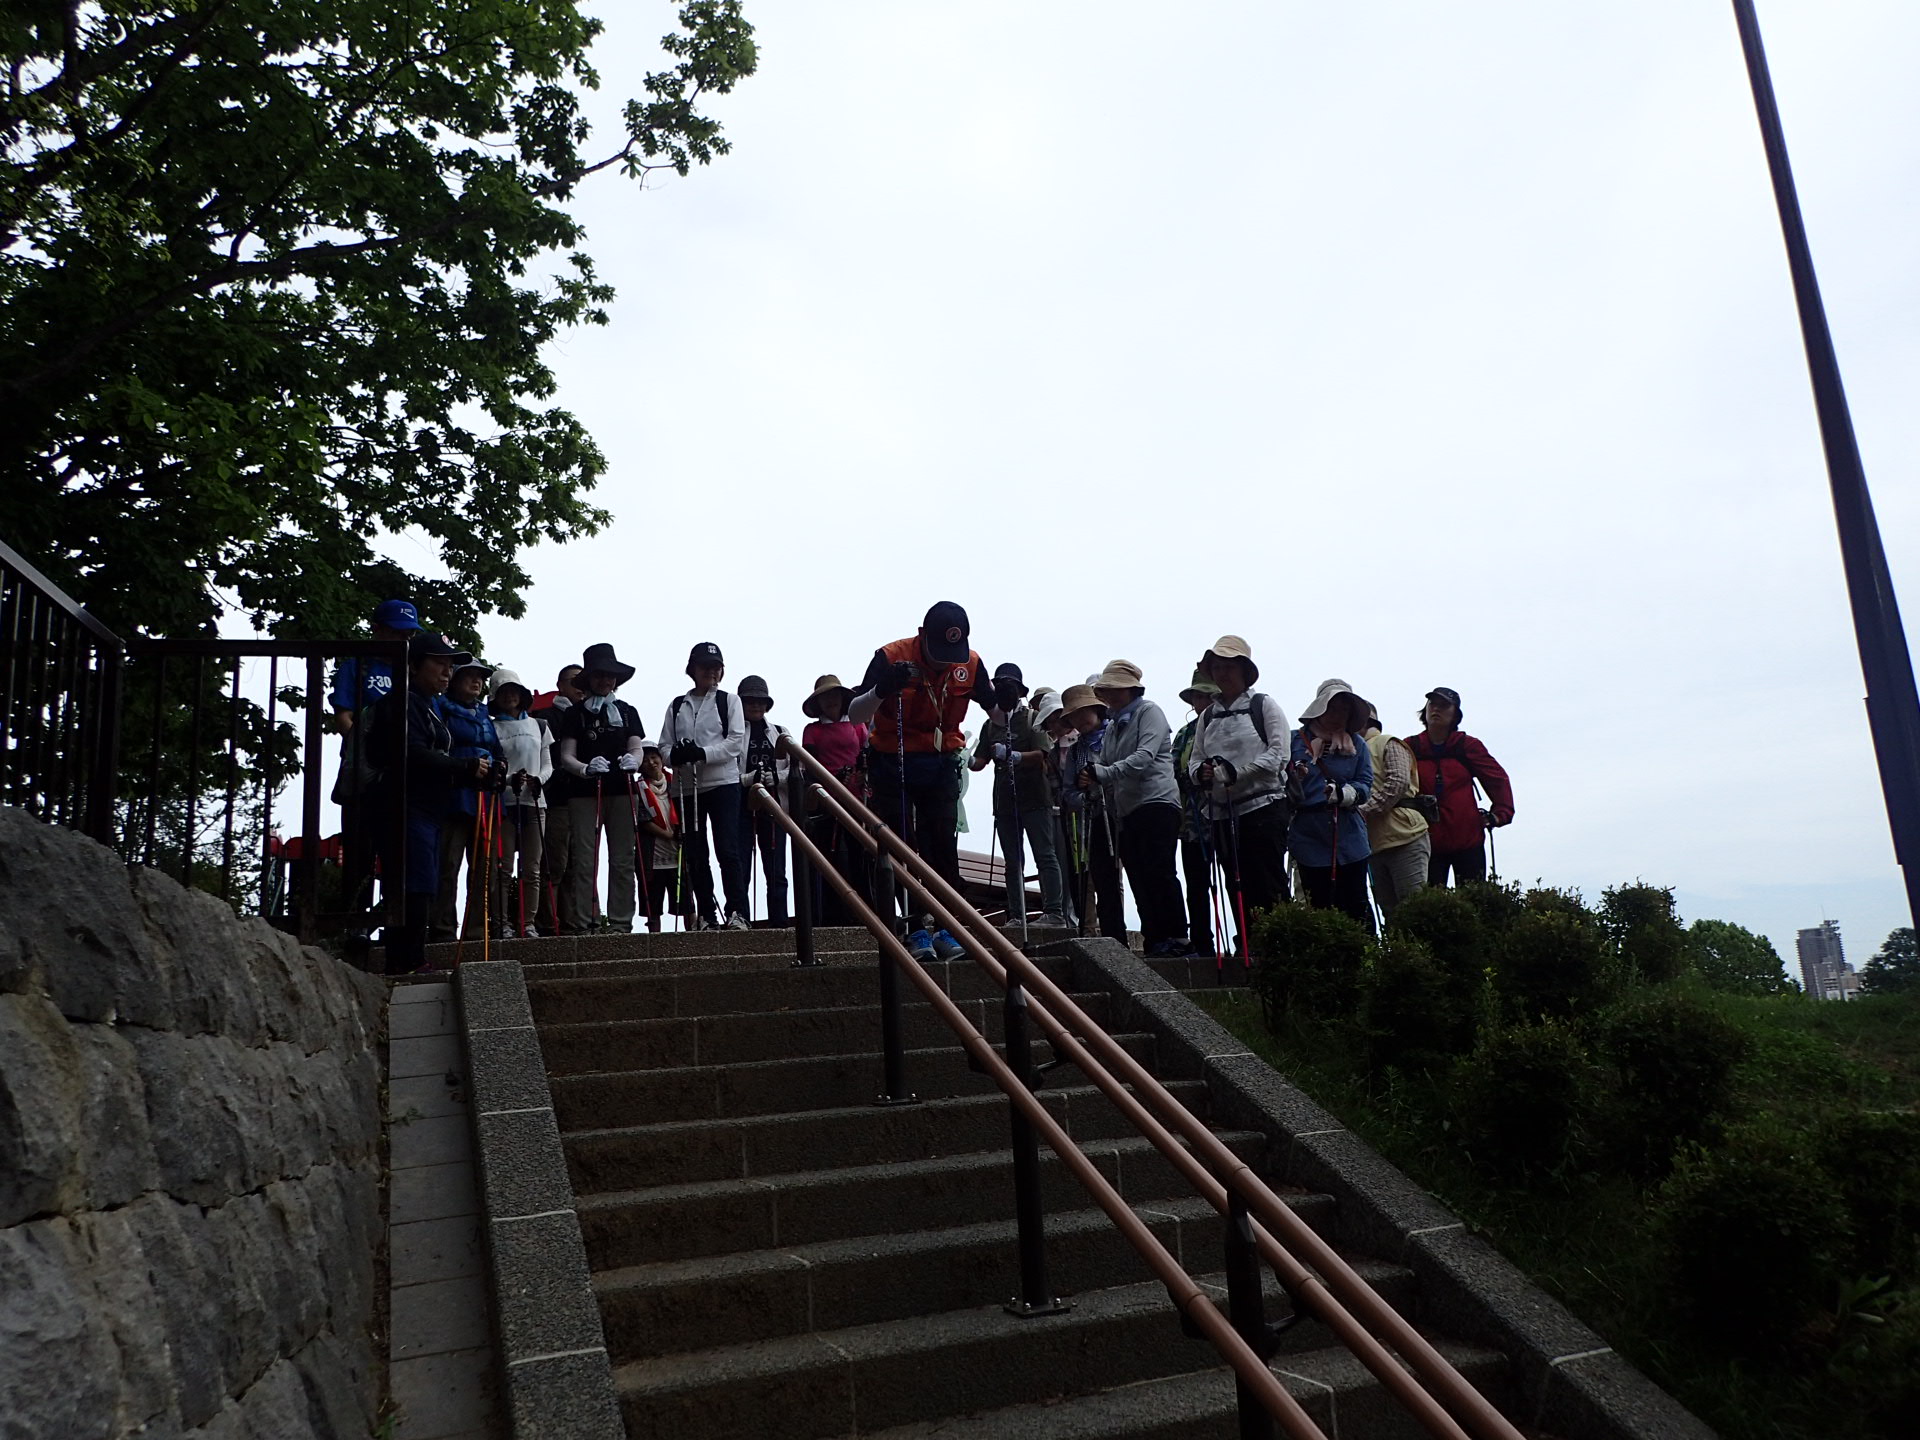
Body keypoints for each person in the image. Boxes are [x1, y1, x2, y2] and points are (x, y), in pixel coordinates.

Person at [848, 601, 1001, 961]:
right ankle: (915, 927)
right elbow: (854, 713)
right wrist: (882, 689)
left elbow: (999, 715)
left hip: (942, 761)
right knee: (903, 845)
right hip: (893, 760)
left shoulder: (971, 664)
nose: (945, 661)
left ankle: (949, 927)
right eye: (938, 652)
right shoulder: (891, 657)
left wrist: (1003, 704)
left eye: (953, 652)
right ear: (922, 636)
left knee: (943, 848)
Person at [367, 633, 490, 973]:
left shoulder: (426, 705)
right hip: (405, 805)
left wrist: (471, 774)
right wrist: (464, 766)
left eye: (450, 665)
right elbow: (412, 755)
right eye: (439, 662)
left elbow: (430, 759)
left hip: (429, 806)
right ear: (413, 665)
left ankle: (409, 958)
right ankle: (406, 961)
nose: (447, 671)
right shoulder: (402, 703)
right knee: (414, 881)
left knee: (424, 880)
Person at [1188, 636, 1293, 957]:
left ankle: (1278, 950)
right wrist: (1202, 773)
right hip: (1222, 814)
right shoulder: (1208, 717)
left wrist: (1237, 773)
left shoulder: (1263, 706)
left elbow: (1279, 755)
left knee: (1267, 882)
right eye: (1217, 667)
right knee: (1236, 885)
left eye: (1228, 666)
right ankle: (1247, 949)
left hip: (1264, 809)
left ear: (1244, 670)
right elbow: (1195, 759)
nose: (1222, 673)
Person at [1083, 661, 1188, 956]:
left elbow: (1144, 757)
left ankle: (1177, 935)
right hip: (1127, 811)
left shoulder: (1149, 712)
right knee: (1139, 876)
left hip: (1158, 802)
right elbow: (1104, 762)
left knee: (1160, 870)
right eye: (1107, 690)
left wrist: (1102, 774)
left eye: (1116, 689)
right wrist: (1094, 775)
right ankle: (1155, 937)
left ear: (1132, 689)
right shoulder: (1115, 725)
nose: (1111, 695)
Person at [330, 597, 420, 930]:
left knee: (401, 853)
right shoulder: (358, 666)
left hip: (404, 774)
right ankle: (353, 925)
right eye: (398, 632)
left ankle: (397, 928)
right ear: (378, 630)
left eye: (409, 634)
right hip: (365, 773)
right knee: (359, 852)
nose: (404, 640)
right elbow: (343, 715)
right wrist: (369, 747)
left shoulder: (413, 671)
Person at [553, 644, 647, 933]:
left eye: (609, 676)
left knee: (622, 858)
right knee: (584, 858)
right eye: (598, 676)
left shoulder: (627, 712)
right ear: (589, 679)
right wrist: (584, 768)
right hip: (584, 793)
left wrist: (635, 760)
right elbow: (566, 755)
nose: (604, 681)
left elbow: (636, 746)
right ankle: (586, 922)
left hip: (621, 790)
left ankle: (620, 922)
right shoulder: (575, 713)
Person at [969, 663, 1069, 931]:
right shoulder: (990, 724)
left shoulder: (1032, 719)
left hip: (1035, 798)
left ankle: (1054, 912)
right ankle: (1016, 914)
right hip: (1004, 802)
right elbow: (979, 761)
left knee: (1045, 855)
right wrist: (964, 758)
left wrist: (1014, 756)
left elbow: (1043, 756)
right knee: (1012, 862)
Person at [661, 642, 751, 930]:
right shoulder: (677, 705)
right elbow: (664, 744)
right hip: (687, 788)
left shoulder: (730, 701)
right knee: (696, 853)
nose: (711, 672)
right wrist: (676, 755)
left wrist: (703, 753)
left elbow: (735, 742)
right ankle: (707, 914)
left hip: (723, 783)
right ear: (693, 670)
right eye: (705, 666)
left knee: (728, 849)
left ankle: (737, 911)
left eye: (716, 666)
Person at [1289, 679, 1375, 930]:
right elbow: (1279, 781)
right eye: (1333, 707)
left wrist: (1344, 793)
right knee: (1319, 905)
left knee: (1357, 904)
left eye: (1345, 710)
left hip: (1349, 836)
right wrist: (1296, 779)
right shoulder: (1294, 742)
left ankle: (1367, 960)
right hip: (1308, 835)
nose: (1339, 715)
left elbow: (1365, 784)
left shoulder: (1357, 745)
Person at [1407, 686, 1514, 886]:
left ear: (1455, 714)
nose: (1436, 709)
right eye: (1432, 704)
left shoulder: (1467, 746)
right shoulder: (1410, 747)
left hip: (1467, 840)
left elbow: (1497, 779)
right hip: (1427, 842)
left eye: (1444, 705)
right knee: (1431, 906)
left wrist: (1500, 814)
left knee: (1473, 904)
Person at [432, 658, 506, 942]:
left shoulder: (485, 713)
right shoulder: (440, 708)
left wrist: (500, 766)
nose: (476, 681)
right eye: (469, 676)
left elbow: (497, 749)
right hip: (453, 793)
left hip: (486, 796)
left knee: (483, 867)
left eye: (480, 677)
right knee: (448, 864)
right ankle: (442, 928)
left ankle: (476, 929)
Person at [1055, 683, 1125, 942]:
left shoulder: (1116, 734)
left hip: (1123, 815)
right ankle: (1112, 937)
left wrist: (1100, 781)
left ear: (1097, 709)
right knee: (1103, 880)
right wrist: (1086, 795)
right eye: (1073, 715)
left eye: (1083, 712)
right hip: (1094, 820)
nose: (1080, 719)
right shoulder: (1076, 751)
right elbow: (1068, 791)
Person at [488, 668, 553, 938]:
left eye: (514, 691)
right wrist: (508, 779)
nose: (510, 696)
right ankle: (502, 923)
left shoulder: (539, 725)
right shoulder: (491, 728)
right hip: (504, 802)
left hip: (535, 802)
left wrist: (538, 779)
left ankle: (527, 923)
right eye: (504, 692)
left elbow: (548, 764)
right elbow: (491, 767)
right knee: (503, 868)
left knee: (532, 868)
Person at [801, 674, 866, 926]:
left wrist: (858, 777)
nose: (830, 701)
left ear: (842, 698)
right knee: (830, 857)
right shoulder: (813, 730)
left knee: (859, 856)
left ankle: (862, 913)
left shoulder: (858, 726)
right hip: (826, 801)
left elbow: (864, 758)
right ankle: (832, 915)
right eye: (824, 697)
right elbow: (810, 765)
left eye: (834, 695)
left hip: (857, 800)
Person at [1357, 701, 1429, 918]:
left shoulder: (1386, 742)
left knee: (1413, 908)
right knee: (1390, 912)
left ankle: (1419, 952)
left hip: (1405, 836)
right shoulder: (1352, 752)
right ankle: (1400, 952)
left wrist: (1363, 811)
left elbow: (1398, 783)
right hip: (1375, 844)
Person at [532, 663, 586, 935]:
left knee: (578, 864)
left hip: (584, 800)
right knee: (555, 862)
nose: (580, 685)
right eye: (574, 680)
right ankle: (547, 922)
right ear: (560, 685)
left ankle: (572, 922)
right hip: (557, 798)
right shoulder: (547, 717)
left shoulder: (590, 715)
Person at [737, 674, 793, 926]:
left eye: (760, 701)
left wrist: (775, 778)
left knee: (776, 870)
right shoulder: (733, 733)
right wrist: (748, 778)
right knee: (740, 867)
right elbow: (727, 770)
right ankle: (740, 918)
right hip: (741, 807)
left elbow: (795, 770)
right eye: (750, 701)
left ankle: (779, 923)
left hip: (774, 808)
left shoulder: (780, 732)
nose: (756, 705)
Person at [1173, 669, 1221, 960]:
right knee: (1196, 882)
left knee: (1231, 877)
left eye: (1206, 695)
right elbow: (1173, 767)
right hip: (1191, 819)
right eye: (1197, 696)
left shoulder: (1226, 726)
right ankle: (1202, 941)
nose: (1201, 702)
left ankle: (1246, 941)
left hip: (1224, 812)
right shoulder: (1185, 733)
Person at [635, 739, 688, 932]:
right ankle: (655, 943)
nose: (651, 762)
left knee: (686, 903)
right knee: (652, 907)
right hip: (652, 856)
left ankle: (693, 939)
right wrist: (666, 834)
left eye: (654, 757)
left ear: (661, 759)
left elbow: (686, 812)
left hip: (679, 853)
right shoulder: (637, 788)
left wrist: (680, 830)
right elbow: (642, 820)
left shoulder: (678, 783)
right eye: (645, 759)